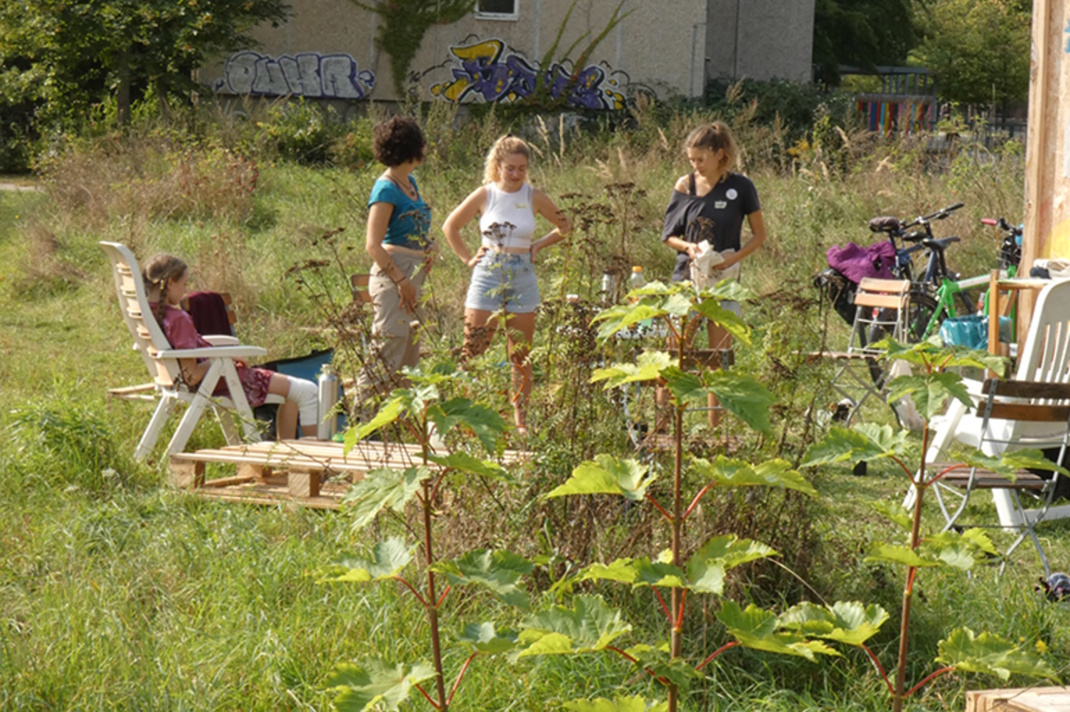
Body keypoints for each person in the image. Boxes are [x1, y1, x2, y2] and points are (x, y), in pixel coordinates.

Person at [442, 135, 572, 435]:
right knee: (473, 349)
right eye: (510, 168)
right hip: (488, 271)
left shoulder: (533, 196)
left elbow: (565, 225)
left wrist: (539, 244)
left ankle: (521, 422)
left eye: (522, 168)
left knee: (520, 354)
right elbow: (451, 226)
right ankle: (464, 420)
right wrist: (466, 258)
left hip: (523, 275)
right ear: (497, 166)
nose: (516, 174)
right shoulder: (484, 194)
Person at [142, 253, 319, 440]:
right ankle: (316, 456)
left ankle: (289, 456)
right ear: (170, 282)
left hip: (207, 380)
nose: (186, 290)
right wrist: (225, 358)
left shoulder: (151, 316)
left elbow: (187, 370)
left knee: (291, 395)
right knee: (307, 391)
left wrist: (224, 354)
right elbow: (191, 375)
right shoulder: (178, 319)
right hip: (221, 381)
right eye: (184, 284)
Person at [659, 122, 766, 430]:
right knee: (674, 352)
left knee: (719, 358)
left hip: (725, 281)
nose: (695, 166)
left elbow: (759, 235)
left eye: (700, 160)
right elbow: (668, 235)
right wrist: (689, 247)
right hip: (686, 278)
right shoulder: (685, 185)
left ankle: (713, 429)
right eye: (691, 160)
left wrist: (734, 257)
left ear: (720, 155)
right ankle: (663, 425)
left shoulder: (742, 187)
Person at [354, 116, 434, 405]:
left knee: (409, 356)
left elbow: (411, 228)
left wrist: (429, 246)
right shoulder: (386, 188)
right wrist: (401, 281)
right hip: (394, 279)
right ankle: (359, 422)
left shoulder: (410, 182)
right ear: (411, 146)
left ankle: (394, 429)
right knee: (387, 350)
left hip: (413, 276)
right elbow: (373, 245)